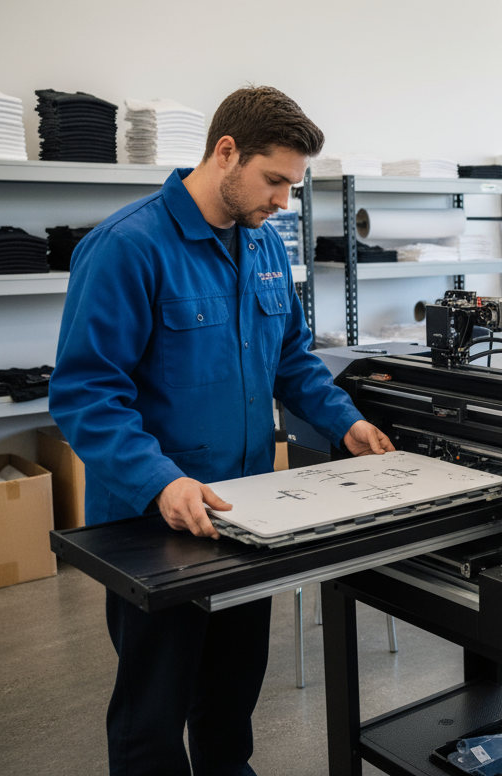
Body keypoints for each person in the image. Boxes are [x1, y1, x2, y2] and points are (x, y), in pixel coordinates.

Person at [49, 85, 395, 776]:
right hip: (154, 526)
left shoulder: (265, 248)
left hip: (250, 517)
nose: (283, 201)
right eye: (274, 181)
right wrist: (162, 482)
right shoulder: (127, 247)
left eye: (293, 186)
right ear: (226, 153)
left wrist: (346, 422)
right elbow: (86, 394)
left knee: (230, 703)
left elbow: (292, 360)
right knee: (152, 716)